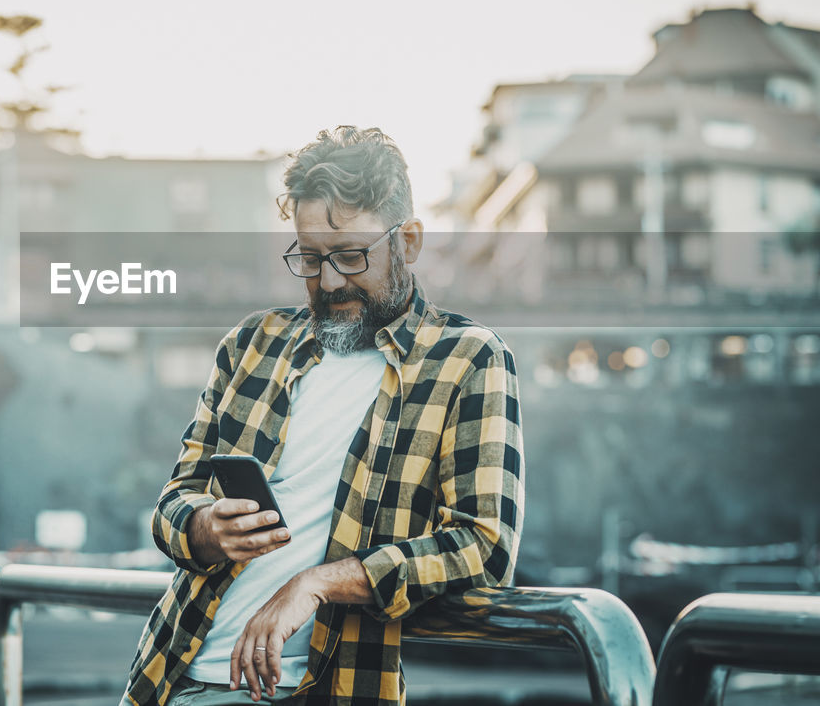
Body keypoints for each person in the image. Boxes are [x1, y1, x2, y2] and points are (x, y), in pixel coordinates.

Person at [121, 126, 525, 706]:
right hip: (165, 678)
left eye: (351, 256)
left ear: (408, 241)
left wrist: (316, 584)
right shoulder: (252, 344)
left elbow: (484, 549)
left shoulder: (467, 359)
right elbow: (172, 503)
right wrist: (206, 528)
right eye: (310, 258)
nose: (329, 280)